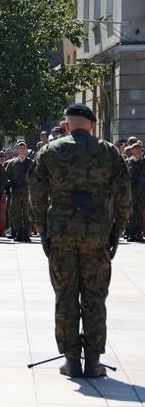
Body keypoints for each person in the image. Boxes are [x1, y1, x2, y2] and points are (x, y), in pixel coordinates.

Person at [28, 103, 132, 378]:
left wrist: (42, 228)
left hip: (61, 232)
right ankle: (93, 361)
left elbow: (36, 194)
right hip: (96, 232)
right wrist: (117, 231)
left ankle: (72, 360)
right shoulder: (108, 151)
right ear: (92, 125)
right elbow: (123, 196)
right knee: (95, 296)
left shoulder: (50, 151)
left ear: (66, 126)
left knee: (65, 295)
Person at [4, 140, 33, 242]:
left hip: (27, 192)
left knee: (27, 214)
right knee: (15, 213)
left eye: (24, 148)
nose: (22, 149)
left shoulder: (31, 163)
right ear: (16, 150)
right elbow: (5, 177)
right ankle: (18, 232)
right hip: (15, 192)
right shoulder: (11, 163)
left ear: (27, 150)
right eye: (20, 148)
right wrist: (10, 183)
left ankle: (26, 233)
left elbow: (36, 177)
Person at [126, 140, 145, 242]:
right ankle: (131, 234)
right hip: (131, 192)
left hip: (142, 192)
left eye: (139, 149)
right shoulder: (128, 162)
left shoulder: (144, 162)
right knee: (131, 213)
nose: (137, 151)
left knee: (140, 213)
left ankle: (139, 234)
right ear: (132, 151)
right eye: (135, 149)